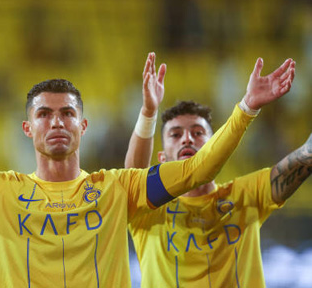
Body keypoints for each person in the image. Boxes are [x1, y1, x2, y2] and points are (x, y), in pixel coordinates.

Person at [0, 52, 294, 287]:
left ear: (83, 125)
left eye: (68, 113)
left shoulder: (118, 188)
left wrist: (246, 108)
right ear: (27, 128)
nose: (57, 121)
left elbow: (197, 172)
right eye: (46, 114)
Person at [125, 55, 308, 287]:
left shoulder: (244, 197)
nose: (187, 139)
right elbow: (133, 178)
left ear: (216, 147)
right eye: (175, 134)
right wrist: (149, 112)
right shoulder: (150, 211)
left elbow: (303, 160)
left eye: (198, 132)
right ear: (161, 159)